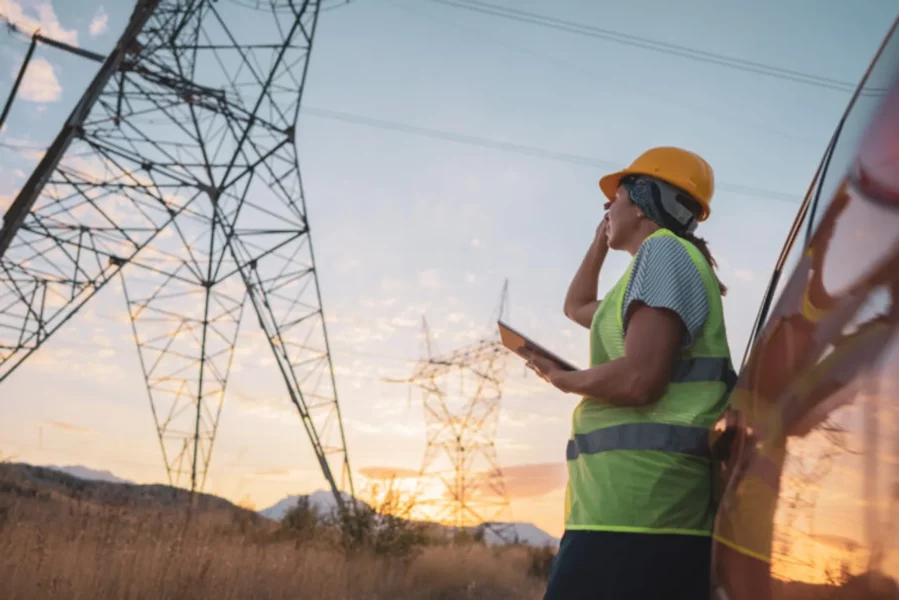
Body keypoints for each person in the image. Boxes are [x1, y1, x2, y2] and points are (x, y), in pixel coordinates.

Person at [525, 146, 736, 600]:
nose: (606, 207)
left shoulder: (664, 254)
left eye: (615, 198)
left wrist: (565, 380)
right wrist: (602, 236)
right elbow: (577, 306)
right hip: (622, 513)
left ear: (641, 202)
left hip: (644, 512)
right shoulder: (648, 273)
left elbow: (640, 379)